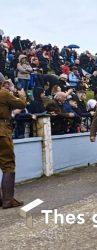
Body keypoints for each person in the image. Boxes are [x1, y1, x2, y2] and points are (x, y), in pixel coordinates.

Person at [0, 79, 26, 209]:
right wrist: (21, 93)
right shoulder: (3, 93)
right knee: (8, 165)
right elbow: (22, 104)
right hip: (2, 131)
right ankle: (8, 200)